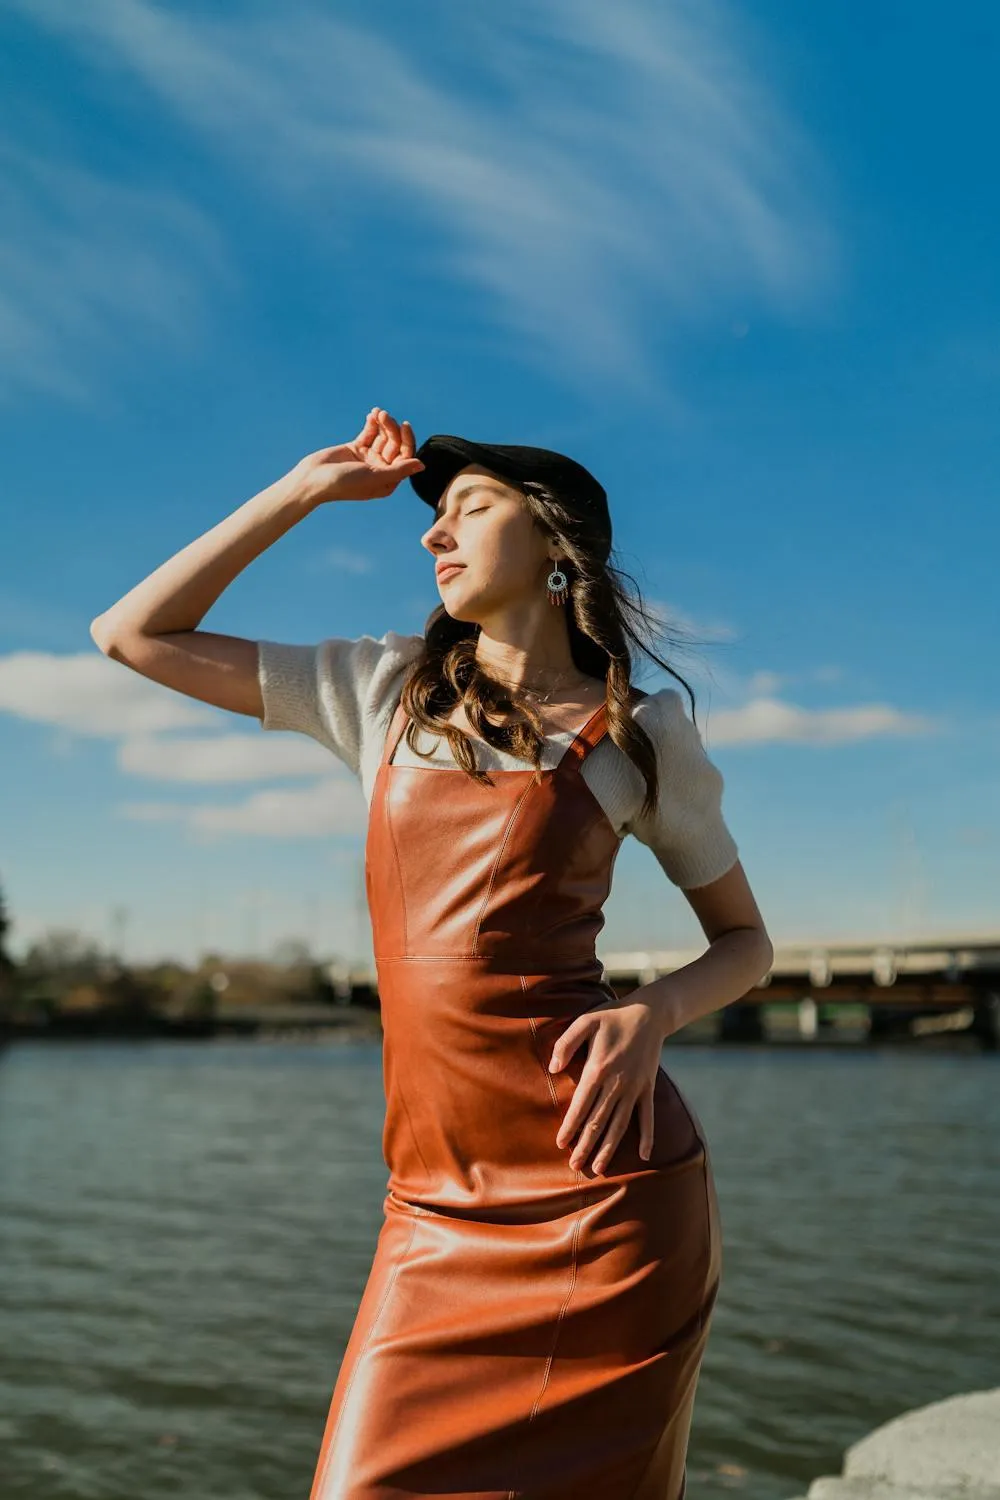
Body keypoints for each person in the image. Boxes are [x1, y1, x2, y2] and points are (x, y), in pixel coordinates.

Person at [91, 407, 773, 1499]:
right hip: (431, 1212)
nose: (432, 533)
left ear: (556, 544)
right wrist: (300, 491)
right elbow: (130, 634)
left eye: (471, 507)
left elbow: (745, 943)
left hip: (606, 1199)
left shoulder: (640, 735)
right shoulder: (379, 689)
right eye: (435, 516)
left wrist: (652, 1012)